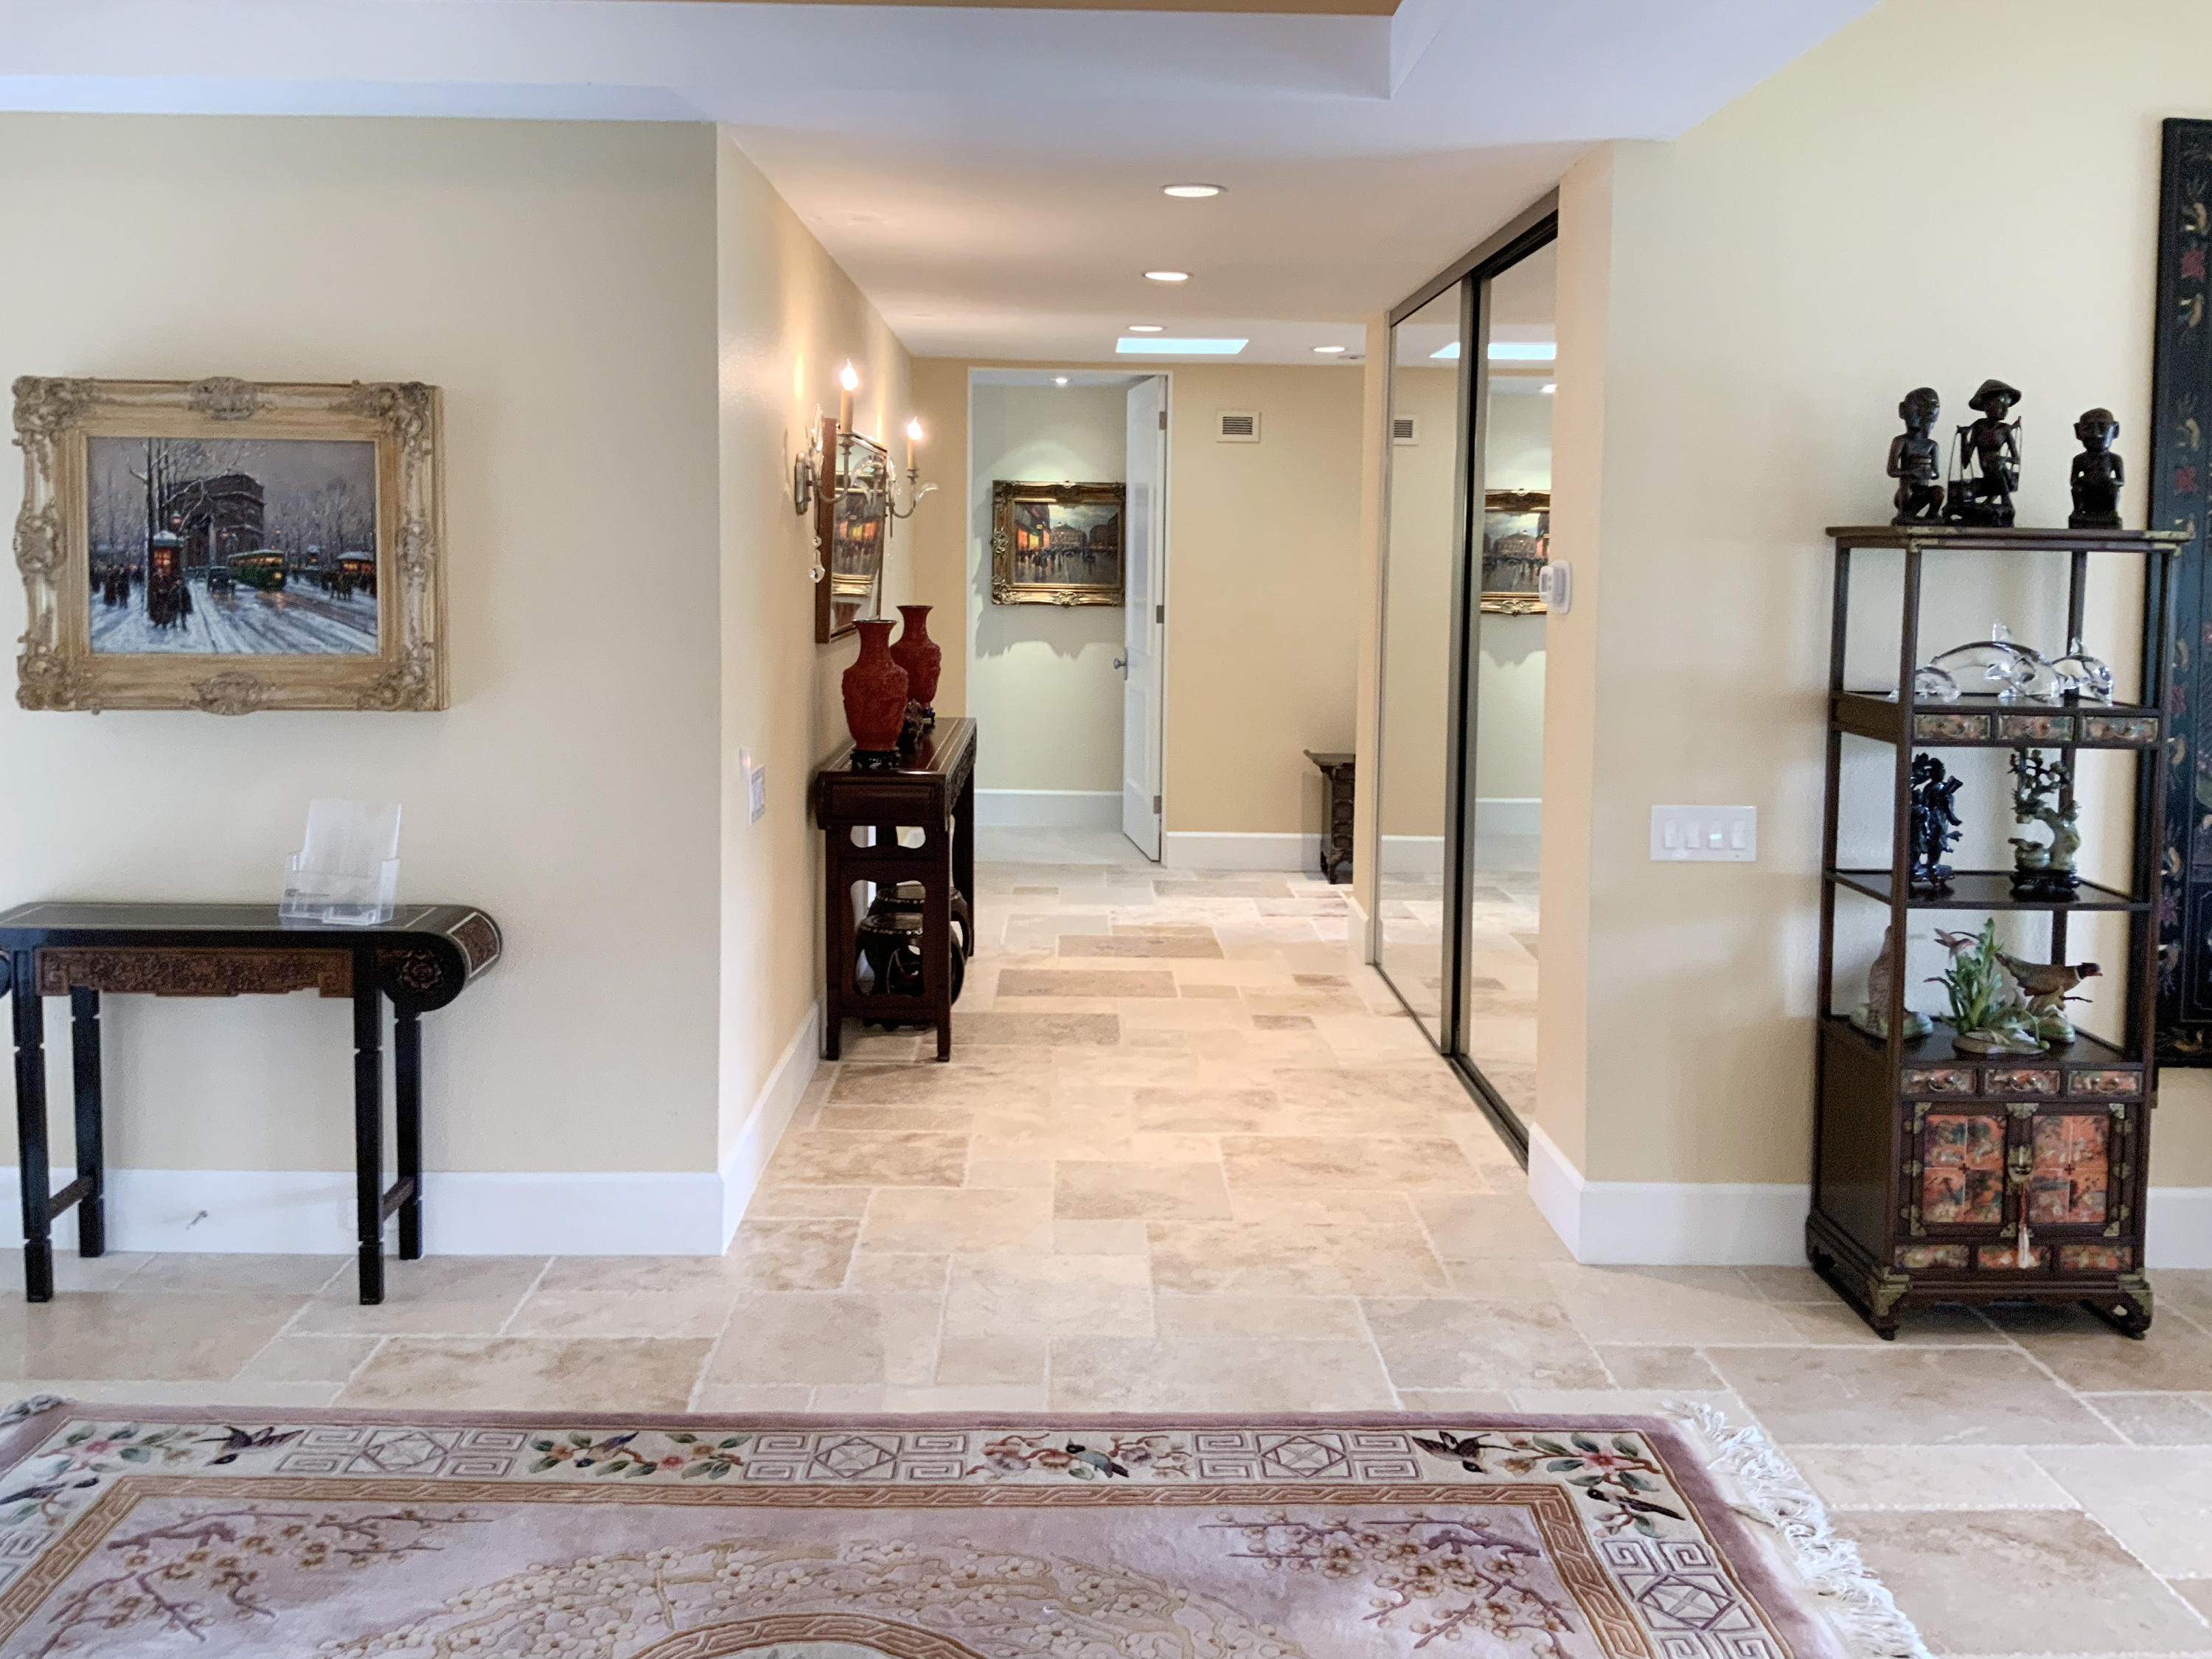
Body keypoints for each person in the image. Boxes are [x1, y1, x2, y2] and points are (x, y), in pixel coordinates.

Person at [1888, 387, 1945, 523]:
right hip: (1906, 492)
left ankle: (1932, 515)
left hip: (1924, 490)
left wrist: (1928, 473)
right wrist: (1911, 472)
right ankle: (1903, 515)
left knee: (1939, 491)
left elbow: (1936, 473)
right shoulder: (1901, 441)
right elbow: (1892, 471)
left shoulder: (1932, 445)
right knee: (1906, 490)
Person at [2070, 408, 2124, 528]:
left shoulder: (2114, 459)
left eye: (2103, 427)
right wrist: (2086, 479)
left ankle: (2112, 512)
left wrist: (2108, 481)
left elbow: (2121, 481)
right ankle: (2078, 511)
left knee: (2114, 490)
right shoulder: (2079, 459)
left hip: (2105, 491)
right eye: (2088, 429)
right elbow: (2073, 482)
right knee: (2077, 490)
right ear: (2078, 432)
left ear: (2115, 430)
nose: (2096, 434)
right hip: (2087, 493)